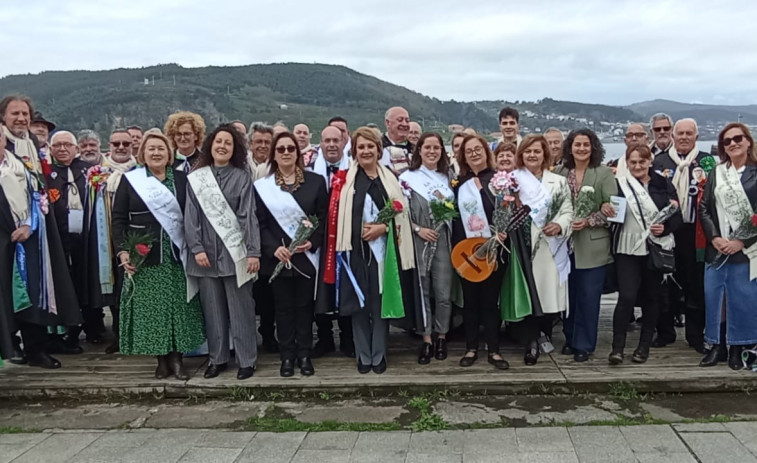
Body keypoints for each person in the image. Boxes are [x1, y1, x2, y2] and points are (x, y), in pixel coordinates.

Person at [111, 132, 205, 380]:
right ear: (142, 154)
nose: (156, 153)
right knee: (152, 311)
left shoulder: (183, 180)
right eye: (150, 149)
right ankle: (160, 359)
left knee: (179, 308)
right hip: (144, 257)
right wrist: (122, 251)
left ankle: (177, 359)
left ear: (169, 153)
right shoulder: (131, 181)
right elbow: (119, 219)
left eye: (161, 149)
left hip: (177, 256)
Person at [1, 94, 82, 365]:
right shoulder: (3, 143)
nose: (21, 118)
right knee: (19, 287)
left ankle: (43, 340)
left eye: (25, 113)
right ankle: (23, 347)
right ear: (3, 116)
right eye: (15, 114)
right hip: (10, 230)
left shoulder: (31, 142)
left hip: (36, 225)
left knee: (42, 285)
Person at [336, 127, 416, 374]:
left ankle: (379, 353)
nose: (366, 151)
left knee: (381, 302)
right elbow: (341, 216)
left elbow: (400, 212)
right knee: (359, 302)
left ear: (378, 150)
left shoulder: (389, 179)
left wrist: (382, 227)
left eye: (371, 146)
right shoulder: (347, 181)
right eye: (361, 147)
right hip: (356, 251)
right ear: (355, 151)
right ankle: (363, 354)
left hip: (385, 252)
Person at [185, 124, 260, 380]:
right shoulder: (197, 178)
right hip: (204, 256)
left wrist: (252, 252)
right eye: (219, 141)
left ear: (234, 148)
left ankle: (246, 359)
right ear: (210, 145)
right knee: (213, 311)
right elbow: (190, 216)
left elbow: (248, 216)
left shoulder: (242, 177)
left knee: (241, 310)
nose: (222, 146)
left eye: (228, 143)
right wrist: (196, 248)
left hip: (235, 253)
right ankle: (217, 359)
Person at [255, 132, 328, 377]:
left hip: (306, 258)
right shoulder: (263, 187)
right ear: (274, 155)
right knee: (282, 309)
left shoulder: (316, 182)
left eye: (290, 149)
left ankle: (305, 354)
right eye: (281, 149)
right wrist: (272, 248)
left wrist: (312, 242)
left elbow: (324, 219)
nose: (286, 153)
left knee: (305, 308)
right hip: (278, 258)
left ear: (298, 153)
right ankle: (287, 356)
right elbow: (260, 223)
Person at [610, 143, 681, 364]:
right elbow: (614, 218)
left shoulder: (664, 184)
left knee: (652, 297)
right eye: (633, 162)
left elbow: (677, 217)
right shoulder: (620, 184)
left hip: (654, 247)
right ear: (627, 163)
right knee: (627, 297)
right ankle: (617, 348)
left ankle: (643, 347)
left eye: (642, 161)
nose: (638, 165)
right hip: (627, 247)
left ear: (650, 161)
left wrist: (665, 228)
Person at [555, 128, 617, 362]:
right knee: (568, 296)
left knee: (589, 297)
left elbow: (613, 209)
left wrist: (590, 220)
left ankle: (584, 344)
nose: (581, 149)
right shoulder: (560, 172)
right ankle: (570, 338)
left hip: (593, 245)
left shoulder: (603, 173)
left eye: (586, 144)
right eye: (577, 144)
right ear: (570, 147)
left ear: (593, 148)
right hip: (564, 245)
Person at [699, 123, 757, 369]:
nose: (733, 143)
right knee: (716, 298)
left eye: (737, 138)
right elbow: (704, 207)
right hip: (718, 247)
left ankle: (737, 347)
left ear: (748, 142)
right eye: (727, 141)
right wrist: (714, 238)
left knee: (742, 298)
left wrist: (741, 241)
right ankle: (717, 345)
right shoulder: (717, 173)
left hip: (746, 250)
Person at [513, 135, 573, 365]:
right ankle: (531, 342)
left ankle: (544, 332)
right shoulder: (513, 180)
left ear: (544, 154)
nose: (532, 155)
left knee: (546, 293)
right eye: (527, 151)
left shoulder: (558, 181)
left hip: (548, 246)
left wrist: (559, 225)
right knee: (526, 292)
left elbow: (568, 211)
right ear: (521, 154)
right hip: (520, 244)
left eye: (537, 151)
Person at [452, 134, 510, 370]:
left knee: (490, 302)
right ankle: (471, 347)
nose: (474, 153)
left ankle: (494, 350)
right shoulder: (458, 184)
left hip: (493, 250)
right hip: (466, 252)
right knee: (470, 302)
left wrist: (503, 232)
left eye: (478, 149)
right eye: (468, 151)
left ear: (487, 152)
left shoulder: (499, 180)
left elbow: (505, 210)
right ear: (463, 156)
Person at [651, 118, 709, 353]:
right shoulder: (659, 161)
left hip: (696, 232)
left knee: (696, 284)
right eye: (680, 133)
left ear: (696, 136)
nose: (684, 137)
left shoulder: (706, 161)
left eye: (689, 133)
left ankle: (696, 335)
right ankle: (665, 332)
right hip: (667, 231)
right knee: (665, 285)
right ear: (673, 137)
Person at [399, 133, 454, 364]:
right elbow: (399, 213)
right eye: (427, 147)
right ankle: (427, 338)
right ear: (419, 150)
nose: (432, 151)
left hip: (443, 239)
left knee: (443, 292)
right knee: (423, 290)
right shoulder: (407, 177)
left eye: (436, 147)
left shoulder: (449, 177)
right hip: (419, 238)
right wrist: (417, 229)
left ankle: (442, 335)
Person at [46, 131, 94, 352]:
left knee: (88, 278)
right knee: (66, 283)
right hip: (58, 238)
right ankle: (70, 330)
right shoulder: (46, 173)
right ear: (51, 148)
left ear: (76, 148)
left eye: (67, 145)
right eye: (57, 145)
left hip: (88, 237)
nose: (62, 149)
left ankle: (94, 325)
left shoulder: (89, 170)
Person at [310, 125, 354, 358]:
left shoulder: (353, 171)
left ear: (343, 142)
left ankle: (348, 338)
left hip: (345, 238)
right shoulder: (310, 171)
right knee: (321, 290)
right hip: (319, 240)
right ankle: (325, 338)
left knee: (345, 285)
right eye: (327, 140)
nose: (331, 145)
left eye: (336, 140)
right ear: (321, 143)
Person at [381, 107, 413, 175]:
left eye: (407, 121)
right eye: (400, 120)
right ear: (388, 123)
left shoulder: (416, 149)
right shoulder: (377, 148)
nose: (404, 124)